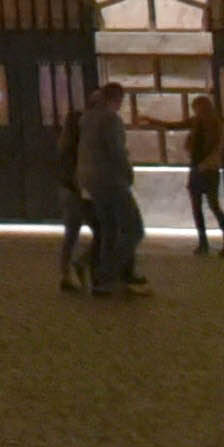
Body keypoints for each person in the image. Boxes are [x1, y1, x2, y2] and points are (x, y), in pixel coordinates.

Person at [74, 80, 150, 297]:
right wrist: (128, 173)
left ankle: (100, 278)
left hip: (91, 180)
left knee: (109, 230)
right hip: (111, 180)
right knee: (134, 230)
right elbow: (117, 151)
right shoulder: (110, 119)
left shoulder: (86, 118)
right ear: (117, 99)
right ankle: (106, 274)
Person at [183, 90, 224, 255]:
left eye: (196, 107)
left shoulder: (210, 123)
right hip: (203, 168)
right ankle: (218, 241)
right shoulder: (201, 122)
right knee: (207, 206)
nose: (195, 111)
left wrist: (202, 162)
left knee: (208, 206)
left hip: (205, 168)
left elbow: (212, 146)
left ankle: (210, 243)